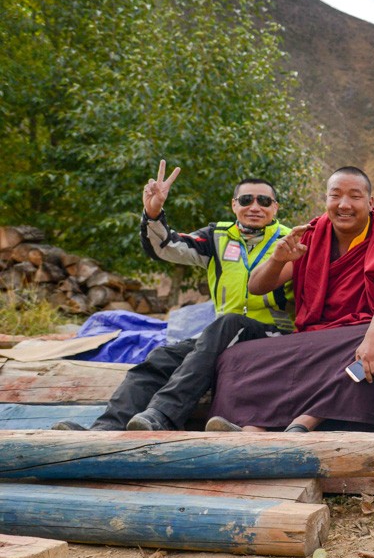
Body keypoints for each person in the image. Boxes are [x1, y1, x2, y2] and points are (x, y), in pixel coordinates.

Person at [53, 162, 293, 432]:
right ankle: (105, 429)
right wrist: (153, 213)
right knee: (161, 357)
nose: (255, 207)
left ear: (275, 208)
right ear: (234, 205)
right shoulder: (218, 237)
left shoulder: (290, 240)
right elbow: (167, 246)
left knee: (228, 324)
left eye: (264, 201)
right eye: (247, 200)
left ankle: (162, 416)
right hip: (221, 335)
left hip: (273, 335)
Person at [203, 167, 374, 432]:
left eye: (354, 196)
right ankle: (249, 427)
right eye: (335, 196)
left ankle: (305, 422)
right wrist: (277, 259)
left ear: (370, 202)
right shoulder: (312, 236)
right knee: (236, 356)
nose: (344, 205)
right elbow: (257, 286)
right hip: (314, 335)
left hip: (358, 334)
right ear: (326, 199)